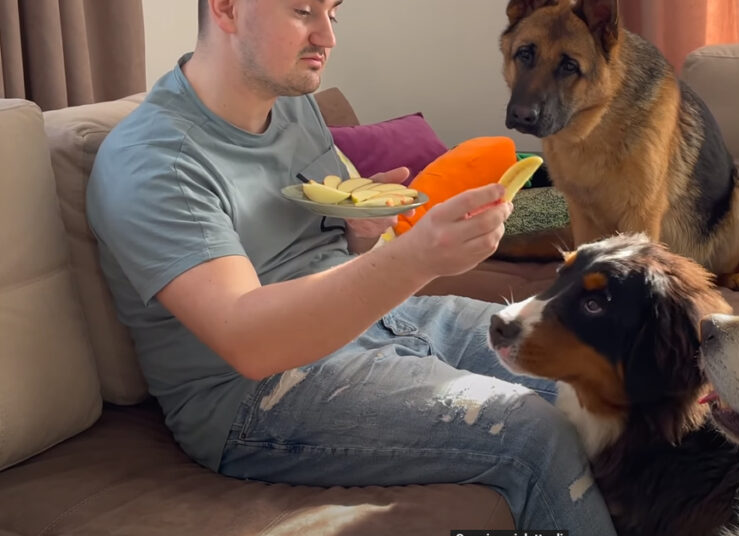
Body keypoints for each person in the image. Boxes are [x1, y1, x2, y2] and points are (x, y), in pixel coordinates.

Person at [86, 0, 618, 533]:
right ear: (226, 7)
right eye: (302, 11)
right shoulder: (157, 160)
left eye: (331, 13)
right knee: (533, 434)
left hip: (386, 322)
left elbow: (330, 257)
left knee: (597, 374)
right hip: (257, 395)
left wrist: (362, 233)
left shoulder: (291, 103)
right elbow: (249, 341)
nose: (327, 36)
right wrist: (413, 257)